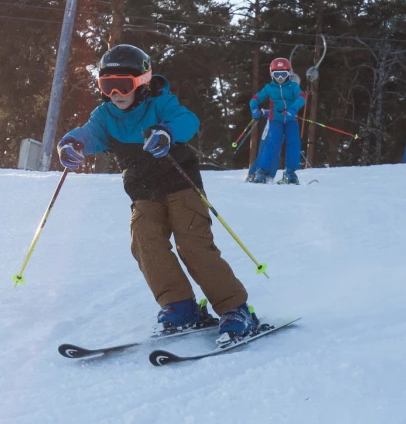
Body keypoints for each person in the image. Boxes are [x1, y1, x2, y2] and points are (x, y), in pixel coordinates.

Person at [57, 44, 257, 340]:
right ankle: (180, 306)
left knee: (193, 245)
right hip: (143, 193)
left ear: (142, 83)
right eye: (107, 86)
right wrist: (70, 144)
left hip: (180, 186)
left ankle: (235, 308)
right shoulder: (105, 116)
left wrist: (166, 132)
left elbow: (188, 121)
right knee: (144, 241)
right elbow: (87, 134)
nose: (116, 94)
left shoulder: (161, 104)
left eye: (123, 85)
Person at [248, 58, 306, 184]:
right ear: (271, 74)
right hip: (275, 120)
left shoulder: (293, 86)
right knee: (273, 143)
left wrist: (292, 109)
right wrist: (254, 109)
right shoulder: (269, 87)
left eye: (283, 74)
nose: (280, 78)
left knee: (294, 143)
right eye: (277, 74)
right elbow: (255, 99)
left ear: (289, 74)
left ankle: (290, 172)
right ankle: (261, 171)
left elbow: (302, 97)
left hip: (291, 120)